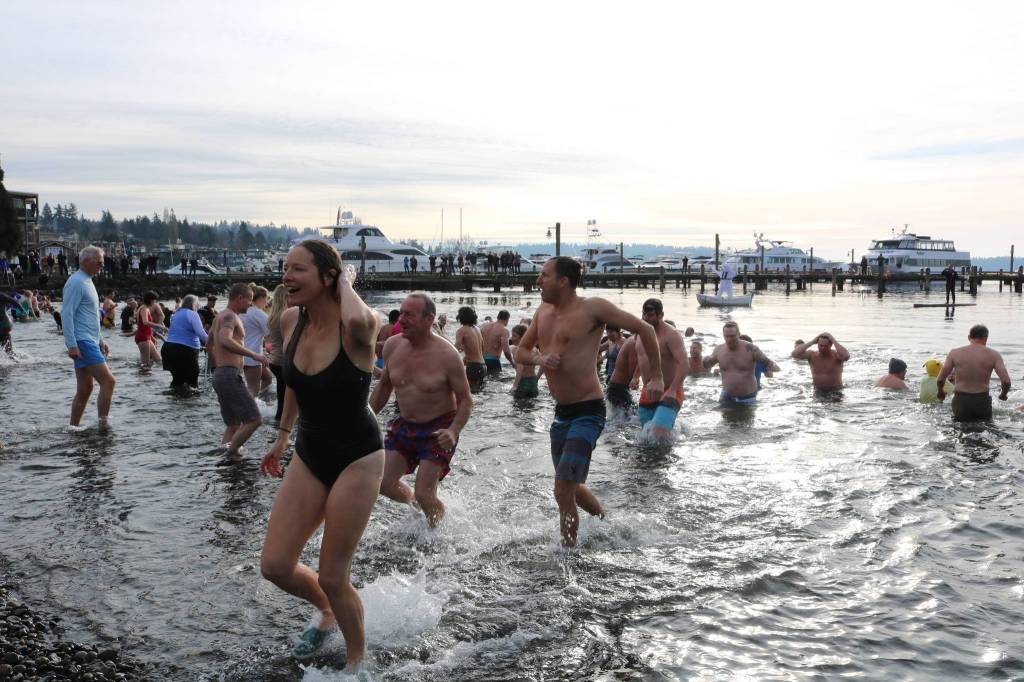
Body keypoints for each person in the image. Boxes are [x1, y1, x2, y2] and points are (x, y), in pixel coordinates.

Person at [258, 240, 384, 666]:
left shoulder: (357, 327)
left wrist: (344, 278)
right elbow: (294, 380)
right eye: (284, 267)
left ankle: (357, 663)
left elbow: (359, 316)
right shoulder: (292, 319)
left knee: (333, 574)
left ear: (328, 277)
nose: (285, 277)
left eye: (297, 270)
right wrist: (282, 434)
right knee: (274, 565)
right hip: (310, 449)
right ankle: (328, 611)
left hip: (357, 456)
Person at [515, 257, 663, 547]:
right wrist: (539, 358)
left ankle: (566, 556)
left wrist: (655, 377)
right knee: (570, 486)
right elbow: (520, 350)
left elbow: (644, 330)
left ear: (563, 281)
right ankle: (607, 524)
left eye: (544, 275)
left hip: (589, 410)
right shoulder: (542, 312)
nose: (538, 280)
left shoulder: (593, 308)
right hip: (561, 412)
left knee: (562, 488)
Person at [370, 293, 473, 528]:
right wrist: (365, 416)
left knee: (426, 493)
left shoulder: (448, 356)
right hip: (404, 424)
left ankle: (436, 534)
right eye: (401, 312)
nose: (402, 319)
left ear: (429, 319)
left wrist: (454, 431)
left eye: (409, 315)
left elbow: (466, 400)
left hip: (439, 429)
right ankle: (419, 507)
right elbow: (384, 386)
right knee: (384, 484)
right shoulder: (393, 346)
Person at [208, 283, 268, 453]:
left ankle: (226, 458)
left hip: (221, 374)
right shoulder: (230, 317)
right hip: (229, 374)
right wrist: (253, 355)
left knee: (233, 425)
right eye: (249, 299)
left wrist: (216, 366)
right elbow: (224, 339)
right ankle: (230, 453)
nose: (251, 303)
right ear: (239, 298)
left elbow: (209, 343)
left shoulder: (218, 316)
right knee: (254, 419)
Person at [62, 246, 116, 429]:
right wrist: (71, 344)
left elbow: (91, 315)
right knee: (109, 381)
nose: (102, 265)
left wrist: (100, 339)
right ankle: (103, 424)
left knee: (86, 389)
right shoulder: (76, 282)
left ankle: (73, 428)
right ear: (85, 261)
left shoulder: (88, 281)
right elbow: (66, 314)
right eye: (99, 262)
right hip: (82, 341)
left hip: (89, 340)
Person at [634, 299, 687, 439]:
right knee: (646, 436)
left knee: (657, 436)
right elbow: (642, 359)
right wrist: (635, 376)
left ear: (661, 315)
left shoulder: (672, 335)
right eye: (644, 314)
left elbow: (684, 363)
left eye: (650, 315)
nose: (646, 318)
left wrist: (673, 390)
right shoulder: (639, 333)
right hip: (648, 390)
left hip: (670, 390)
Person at [936, 324, 1011, 421]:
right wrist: (1003, 394)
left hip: (961, 400)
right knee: (984, 431)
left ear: (968, 337)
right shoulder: (994, 355)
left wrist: (940, 392)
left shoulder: (954, 353)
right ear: (986, 338)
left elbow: (940, 379)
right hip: (982, 401)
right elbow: (1006, 382)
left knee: (959, 431)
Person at [704, 321, 775, 406]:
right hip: (726, 396)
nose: (729, 339)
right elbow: (707, 365)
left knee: (747, 419)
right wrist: (705, 361)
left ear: (738, 334)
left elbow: (769, 364)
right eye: (726, 336)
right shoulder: (719, 350)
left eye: (732, 336)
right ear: (723, 335)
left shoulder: (752, 349)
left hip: (747, 397)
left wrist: (772, 368)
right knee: (724, 419)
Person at [161, 294, 209, 389]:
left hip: (168, 349)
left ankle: (172, 401)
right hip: (184, 350)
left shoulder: (176, 314)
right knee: (192, 382)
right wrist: (215, 343)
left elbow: (181, 332)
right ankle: (192, 403)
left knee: (178, 380)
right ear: (193, 304)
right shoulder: (192, 314)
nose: (198, 307)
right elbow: (201, 334)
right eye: (197, 304)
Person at [242, 284, 273, 396]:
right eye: (267, 298)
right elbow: (270, 335)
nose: (267, 302)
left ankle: (261, 403)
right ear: (260, 298)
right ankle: (249, 409)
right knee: (252, 388)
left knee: (267, 378)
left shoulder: (243, 311)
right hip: (253, 355)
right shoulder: (259, 314)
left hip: (241, 352)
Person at [266, 285, 291, 420]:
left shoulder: (272, 316)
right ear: (285, 297)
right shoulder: (286, 316)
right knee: (287, 397)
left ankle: (279, 422)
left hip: (274, 361)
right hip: (284, 362)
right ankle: (282, 425)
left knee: (282, 395)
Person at [605, 335, 642, 412]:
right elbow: (631, 371)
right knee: (632, 416)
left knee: (625, 418)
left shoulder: (634, 340)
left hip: (617, 387)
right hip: (617, 388)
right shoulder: (634, 342)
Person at [455, 306, 486, 392]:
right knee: (479, 394)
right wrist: (466, 357)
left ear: (461, 317)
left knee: (470, 394)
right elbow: (482, 349)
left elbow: (455, 350)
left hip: (473, 367)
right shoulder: (477, 329)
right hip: (483, 366)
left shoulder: (461, 330)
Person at [134, 291, 167, 367]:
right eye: (154, 300)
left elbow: (143, 325)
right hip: (143, 338)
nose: (155, 302)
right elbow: (145, 322)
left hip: (147, 337)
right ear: (150, 300)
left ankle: (152, 379)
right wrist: (160, 326)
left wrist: (152, 336)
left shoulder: (145, 308)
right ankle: (143, 378)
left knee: (159, 361)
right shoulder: (144, 308)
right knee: (145, 364)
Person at [510, 323, 541, 399]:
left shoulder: (516, 350)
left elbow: (520, 368)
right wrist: (537, 378)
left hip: (523, 383)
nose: (511, 338)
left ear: (522, 337)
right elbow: (543, 364)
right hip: (533, 383)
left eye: (514, 336)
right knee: (531, 408)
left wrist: (515, 386)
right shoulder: (535, 349)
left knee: (518, 409)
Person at [0, 289, 18, 355]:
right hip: (6, 324)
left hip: (3, 325)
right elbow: (16, 302)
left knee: (8, 351)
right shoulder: (3, 297)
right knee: (8, 351)